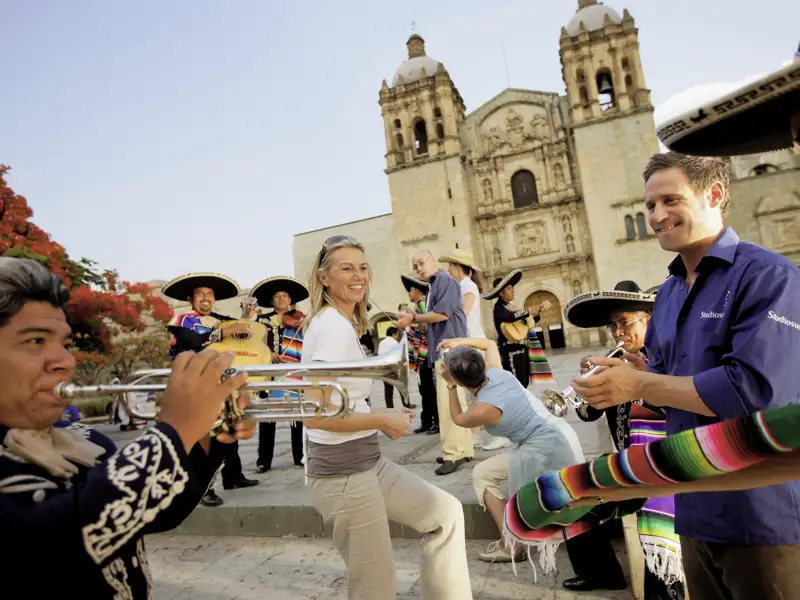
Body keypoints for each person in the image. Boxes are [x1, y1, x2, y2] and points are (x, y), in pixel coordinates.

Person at [572, 151, 800, 600]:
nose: (656, 216)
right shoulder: (671, 291)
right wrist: (633, 374)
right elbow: (669, 384)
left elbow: (754, 391)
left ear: (713, 195)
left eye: (670, 201)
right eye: (650, 205)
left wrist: (641, 384)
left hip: (759, 515)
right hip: (693, 508)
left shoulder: (769, 276)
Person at [0, 256, 256, 598]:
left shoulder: (86, 443)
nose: (65, 361)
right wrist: (174, 432)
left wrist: (208, 435)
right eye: (35, 341)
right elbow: (50, 543)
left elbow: (158, 512)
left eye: (65, 344)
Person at [301, 234, 472, 600]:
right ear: (323, 278)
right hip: (343, 474)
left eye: (363, 267)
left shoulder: (341, 322)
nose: (358, 276)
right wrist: (381, 420)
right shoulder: (331, 327)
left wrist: (381, 414)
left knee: (446, 514)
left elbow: (344, 402)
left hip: (366, 462)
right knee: (375, 587)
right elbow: (315, 416)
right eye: (346, 268)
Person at [564, 280, 685, 598]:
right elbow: (587, 414)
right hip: (626, 465)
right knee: (571, 497)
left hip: (663, 469)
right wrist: (585, 386)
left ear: (649, 320)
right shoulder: (612, 361)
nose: (617, 333)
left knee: (661, 559)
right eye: (613, 325)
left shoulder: (670, 360)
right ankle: (602, 573)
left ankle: (665, 588)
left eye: (624, 323)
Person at [436, 337, 591, 569]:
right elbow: (489, 344)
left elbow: (458, 418)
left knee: (482, 474)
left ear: (459, 380)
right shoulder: (498, 373)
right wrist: (458, 341)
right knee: (485, 472)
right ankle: (513, 540)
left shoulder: (482, 409)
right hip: (559, 435)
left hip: (542, 449)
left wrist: (449, 385)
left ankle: (512, 544)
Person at [163, 272, 260, 507]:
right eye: (200, 293)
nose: (206, 297)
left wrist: (248, 317)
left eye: (209, 293)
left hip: (222, 382)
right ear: (190, 299)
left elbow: (243, 335)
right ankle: (205, 488)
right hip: (195, 384)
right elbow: (191, 342)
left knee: (229, 431)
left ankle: (233, 476)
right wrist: (224, 332)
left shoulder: (220, 319)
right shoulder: (181, 320)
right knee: (203, 439)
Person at [395, 249, 473, 476]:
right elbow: (434, 321)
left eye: (421, 263)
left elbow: (443, 314)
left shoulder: (443, 280)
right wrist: (415, 321)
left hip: (449, 349)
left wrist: (414, 317)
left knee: (448, 405)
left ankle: (453, 453)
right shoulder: (434, 286)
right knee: (457, 401)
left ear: (433, 260)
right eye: (415, 266)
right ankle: (464, 448)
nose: (419, 269)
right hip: (447, 348)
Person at [251, 275, 309, 472]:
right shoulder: (262, 320)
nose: (281, 298)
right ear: (272, 301)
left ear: (290, 300)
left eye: (285, 295)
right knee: (267, 419)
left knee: (297, 416)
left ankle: (300, 456)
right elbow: (254, 342)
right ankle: (264, 460)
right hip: (269, 372)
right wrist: (268, 353)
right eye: (277, 296)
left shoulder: (300, 319)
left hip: (293, 371)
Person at [481, 269, 554, 393]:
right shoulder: (499, 308)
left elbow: (524, 325)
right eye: (509, 289)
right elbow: (509, 317)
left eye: (512, 288)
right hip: (511, 352)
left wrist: (539, 312)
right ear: (501, 293)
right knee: (516, 384)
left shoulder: (511, 307)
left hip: (522, 350)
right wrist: (529, 310)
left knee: (524, 383)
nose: (513, 290)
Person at [400, 273, 439, 434]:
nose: (409, 294)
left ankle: (435, 422)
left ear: (417, 291)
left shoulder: (423, 305)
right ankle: (427, 420)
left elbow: (426, 327)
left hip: (425, 354)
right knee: (424, 389)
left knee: (429, 389)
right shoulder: (418, 307)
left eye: (410, 290)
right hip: (420, 355)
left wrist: (412, 322)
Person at [377, 326, 401, 408]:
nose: (397, 336)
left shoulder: (381, 343)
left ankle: (390, 408)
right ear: (393, 334)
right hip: (394, 369)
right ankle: (407, 405)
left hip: (384, 369)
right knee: (402, 388)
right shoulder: (394, 343)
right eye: (397, 334)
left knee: (388, 391)